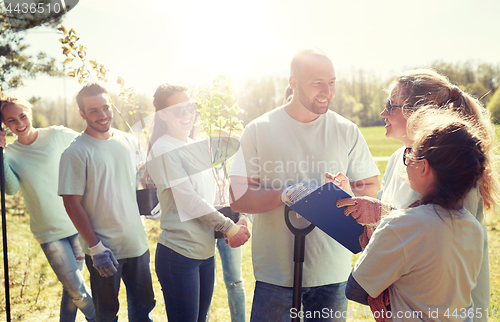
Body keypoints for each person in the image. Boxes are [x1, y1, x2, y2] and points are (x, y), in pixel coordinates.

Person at [229, 48, 380, 322]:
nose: (327, 91)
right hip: (275, 274)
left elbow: (369, 186)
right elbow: (238, 197)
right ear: (293, 82)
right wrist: (284, 194)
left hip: (330, 273)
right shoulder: (258, 130)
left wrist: (350, 192)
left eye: (332, 82)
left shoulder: (346, 130)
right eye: (317, 83)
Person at [336, 69, 496, 320]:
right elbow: (393, 235)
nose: (383, 113)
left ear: (419, 111)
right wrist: (360, 207)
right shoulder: (394, 160)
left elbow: (444, 235)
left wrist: (384, 214)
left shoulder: (454, 169)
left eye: (391, 106)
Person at [146, 83, 250, 322]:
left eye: (191, 107)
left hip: (206, 253)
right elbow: (188, 200)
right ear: (162, 114)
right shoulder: (163, 148)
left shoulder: (195, 145)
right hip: (179, 254)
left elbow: (214, 193)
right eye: (179, 110)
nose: (188, 114)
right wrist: (228, 228)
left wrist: (238, 216)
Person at [58, 83, 156, 321]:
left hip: (137, 244)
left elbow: (140, 182)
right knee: (107, 314)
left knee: (144, 309)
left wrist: (152, 192)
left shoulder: (129, 141)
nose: (102, 115)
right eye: (93, 111)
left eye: (106, 107)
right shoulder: (75, 152)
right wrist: (95, 247)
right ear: (82, 114)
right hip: (104, 250)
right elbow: (71, 204)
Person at [0, 95, 96, 322]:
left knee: (72, 289)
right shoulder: (10, 153)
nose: (19, 123)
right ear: (5, 125)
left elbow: (90, 145)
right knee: (78, 292)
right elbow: (11, 189)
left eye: (22, 116)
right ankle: (104, 318)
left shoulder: (56, 135)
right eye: (11, 120)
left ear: (30, 114)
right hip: (49, 232)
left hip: (77, 223)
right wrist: (0, 152)